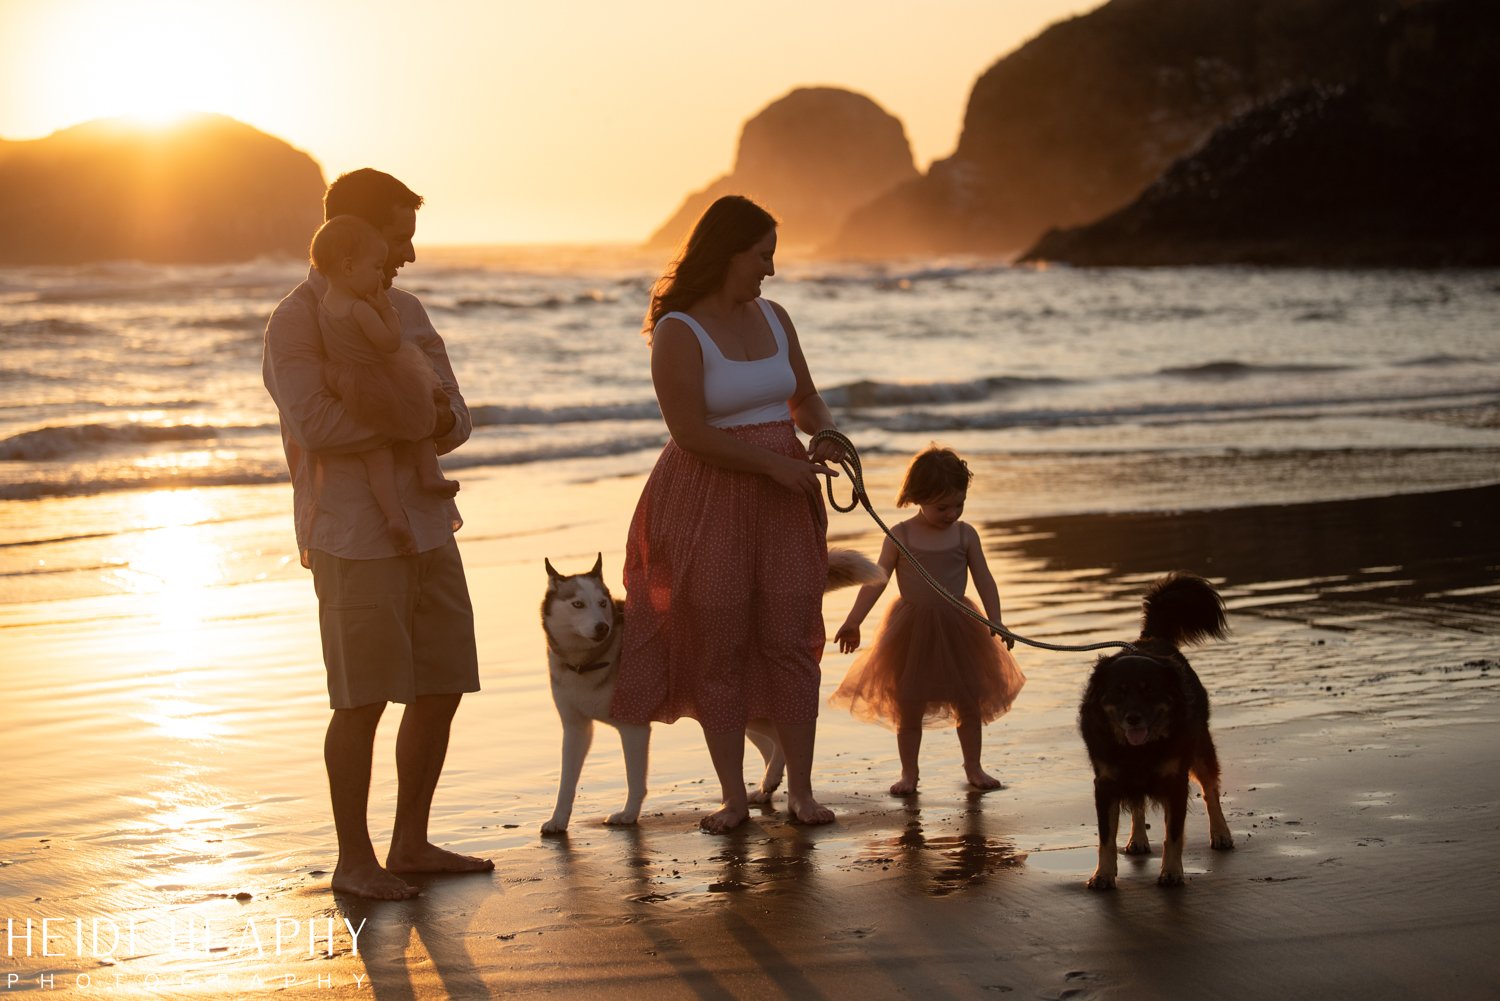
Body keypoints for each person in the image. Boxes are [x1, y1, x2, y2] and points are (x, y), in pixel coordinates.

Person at [263, 168, 492, 899]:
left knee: (444, 681)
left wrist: (425, 418)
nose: (409, 257)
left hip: (429, 522)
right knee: (360, 699)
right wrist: (410, 417)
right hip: (352, 532)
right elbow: (316, 425)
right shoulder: (294, 322)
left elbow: (455, 417)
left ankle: (411, 840)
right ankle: (354, 859)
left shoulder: (408, 310)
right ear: (353, 240)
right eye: (398, 240)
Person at [608, 194, 845, 833]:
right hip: (706, 497)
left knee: (793, 638)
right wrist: (772, 465)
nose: (769, 269)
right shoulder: (678, 329)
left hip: (784, 494)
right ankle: (734, 797)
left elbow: (806, 399)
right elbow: (687, 431)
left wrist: (824, 435)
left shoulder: (775, 317)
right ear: (727, 253)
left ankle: (800, 792)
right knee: (720, 644)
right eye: (761, 255)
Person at [831, 445, 1025, 795]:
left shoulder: (966, 534)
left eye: (959, 504)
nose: (952, 513)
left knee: (968, 700)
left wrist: (996, 620)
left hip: (960, 627)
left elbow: (985, 578)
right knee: (909, 703)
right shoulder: (901, 535)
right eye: (942, 507)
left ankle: (974, 768)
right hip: (911, 631)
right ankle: (909, 774)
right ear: (917, 498)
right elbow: (877, 580)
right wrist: (853, 620)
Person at [309, 214, 460, 556]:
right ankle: (428, 475)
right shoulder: (361, 309)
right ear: (349, 267)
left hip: (346, 382)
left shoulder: (321, 306)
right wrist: (385, 310)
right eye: (375, 267)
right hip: (380, 376)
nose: (381, 274)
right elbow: (389, 343)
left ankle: (394, 517)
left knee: (375, 457)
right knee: (418, 417)